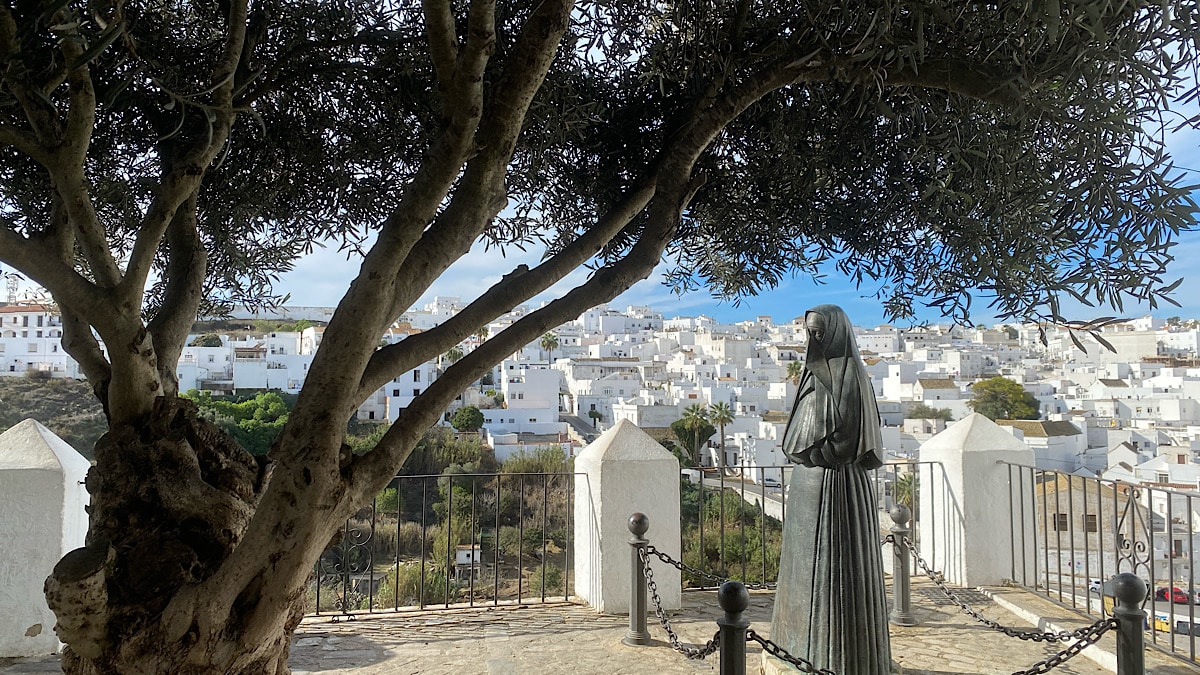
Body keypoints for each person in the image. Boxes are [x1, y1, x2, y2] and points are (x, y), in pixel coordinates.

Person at [769, 304, 891, 673]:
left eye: (820, 332)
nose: (815, 339)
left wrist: (816, 449)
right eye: (811, 332)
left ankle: (838, 656)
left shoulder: (851, 376)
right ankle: (796, 649)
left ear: (837, 332)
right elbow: (797, 434)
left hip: (838, 486)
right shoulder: (811, 374)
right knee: (802, 574)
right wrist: (808, 449)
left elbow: (850, 439)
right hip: (810, 486)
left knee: (839, 575)